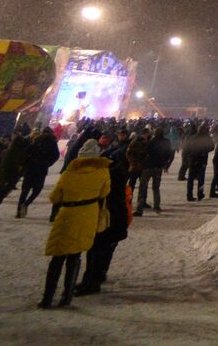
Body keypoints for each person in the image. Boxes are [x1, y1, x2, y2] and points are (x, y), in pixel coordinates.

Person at [41, 139, 110, 308]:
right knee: (75, 256)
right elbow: (104, 192)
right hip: (88, 215)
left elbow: (54, 197)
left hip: (68, 215)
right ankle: (67, 295)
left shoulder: (69, 173)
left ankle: (47, 297)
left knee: (57, 258)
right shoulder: (103, 172)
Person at [74, 138, 130, 296]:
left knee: (97, 249)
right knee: (102, 249)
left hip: (108, 218)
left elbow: (107, 197)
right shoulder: (111, 170)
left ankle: (91, 282)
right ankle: (96, 277)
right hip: (113, 217)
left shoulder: (106, 175)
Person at [0, 125, 31, 221]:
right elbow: (22, 167)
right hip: (10, 177)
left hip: (0, 175)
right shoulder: (21, 155)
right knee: (1, 196)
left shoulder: (5, 152)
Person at [19, 126, 62, 217]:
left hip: (30, 167)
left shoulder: (36, 141)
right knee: (37, 189)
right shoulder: (52, 143)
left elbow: (26, 152)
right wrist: (48, 163)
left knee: (25, 190)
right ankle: (27, 203)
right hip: (41, 169)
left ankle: (19, 211)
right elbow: (56, 155)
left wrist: (27, 162)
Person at [135, 125, 173, 215]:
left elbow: (145, 153)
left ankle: (140, 208)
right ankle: (157, 206)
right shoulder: (166, 142)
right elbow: (169, 154)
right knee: (156, 188)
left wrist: (140, 161)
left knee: (143, 188)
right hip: (158, 167)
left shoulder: (152, 142)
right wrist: (164, 163)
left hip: (148, 167)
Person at [183, 122, 215, 201]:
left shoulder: (192, 137)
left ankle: (189, 195)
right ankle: (200, 194)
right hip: (202, 160)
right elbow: (212, 147)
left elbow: (186, 148)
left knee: (191, 179)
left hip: (192, 160)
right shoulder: (206, 138)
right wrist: (204, 151)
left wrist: (189, 156)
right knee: (201, 179)